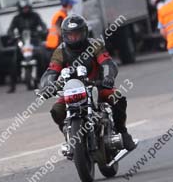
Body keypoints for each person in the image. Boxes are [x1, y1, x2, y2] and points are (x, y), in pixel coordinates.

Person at [38, 15, 136, 153]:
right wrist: (48, 86)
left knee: (118, 98)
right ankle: (69, 135)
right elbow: (51, 71)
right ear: (64, 35)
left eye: (77, 34)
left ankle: (123, 131)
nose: (74, 38)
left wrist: (108, 77)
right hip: (71, 90)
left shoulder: (95, 45)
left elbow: (107, 63)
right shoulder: (60, 51)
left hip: (96, 86)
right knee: (57, 110)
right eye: (70, 35)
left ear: (84, 32)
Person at [6, 0, 47, 93]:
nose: (25, 10)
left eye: (27, 8)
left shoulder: (35, 16)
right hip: (22, 42)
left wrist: (42, 31)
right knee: (14, 60)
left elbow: (43, 25)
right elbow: (10, 29)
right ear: (20, 9)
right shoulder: (16, 18)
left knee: (43, 56)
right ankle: (12, 85)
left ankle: (47, 80)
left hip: (34, 40)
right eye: (23, 8)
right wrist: (12, 36)